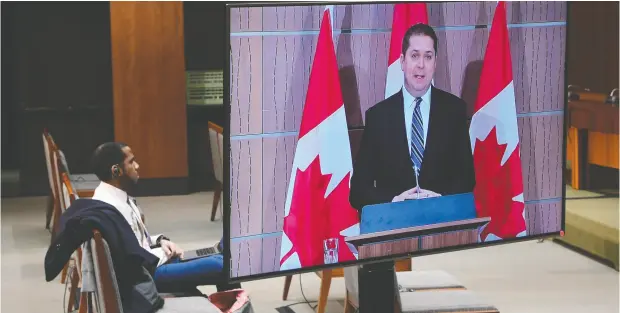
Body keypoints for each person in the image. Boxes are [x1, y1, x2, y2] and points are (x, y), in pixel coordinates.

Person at [349, 23, 475, 211]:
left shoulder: (454, 110)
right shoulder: (378, 117)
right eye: (414, 55)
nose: (421, 65)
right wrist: (394, 200)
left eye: (428, 56)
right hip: (394, 230)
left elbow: (467, 179)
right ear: (402, 61)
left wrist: (441, 198)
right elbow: (358, 192)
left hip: (442, 227)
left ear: (435, 62)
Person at [89, 142, 240, 293]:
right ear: (116, 171)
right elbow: (132, 261)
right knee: (224, 265)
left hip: (152, 263)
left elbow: (134, 240)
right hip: (147, 275)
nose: (137, 166)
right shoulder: (110, 209)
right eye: (131, 162)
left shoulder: (114, 195)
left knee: (223, 254)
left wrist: (160, 240)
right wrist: (162, 254)